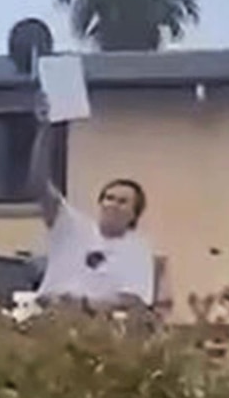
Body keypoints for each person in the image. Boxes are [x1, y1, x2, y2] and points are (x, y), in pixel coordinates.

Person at [27, 92, 155, 312]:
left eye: (122, 202)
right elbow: (39, 184)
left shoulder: (138, 250)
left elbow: (134, 300)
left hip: (95, 328)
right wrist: (45, 129)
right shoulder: (71, 226)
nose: (112, 204)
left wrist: (83, 304)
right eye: (108, 198)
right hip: (48, 318)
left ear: (134, 214)